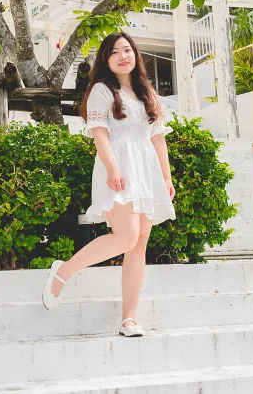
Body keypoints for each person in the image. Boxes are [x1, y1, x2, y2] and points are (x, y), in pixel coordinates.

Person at [41, 32, 176, 338]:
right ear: (106, 59)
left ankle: (129, 319)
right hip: (119, 167)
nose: (123, 56)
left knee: (139, 243)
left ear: (135, 55)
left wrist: (166, 178)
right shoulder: (102, 90)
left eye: (127, 50)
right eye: (115, 52)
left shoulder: (147, 93)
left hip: (147, 171)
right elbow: (100, 133)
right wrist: (113, 167)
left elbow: (158, 138)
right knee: (126, 236)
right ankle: (63, 271)